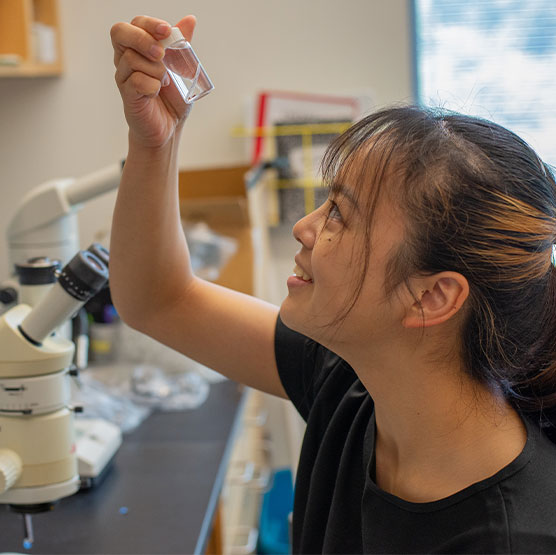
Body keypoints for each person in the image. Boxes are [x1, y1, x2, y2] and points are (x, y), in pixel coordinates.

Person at [109, 15, 556, 554]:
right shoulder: (353, 385)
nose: (305, 227)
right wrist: (156, 142)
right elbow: (160, 299)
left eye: (340, 214)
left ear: (433, 296)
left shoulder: (513, 539)